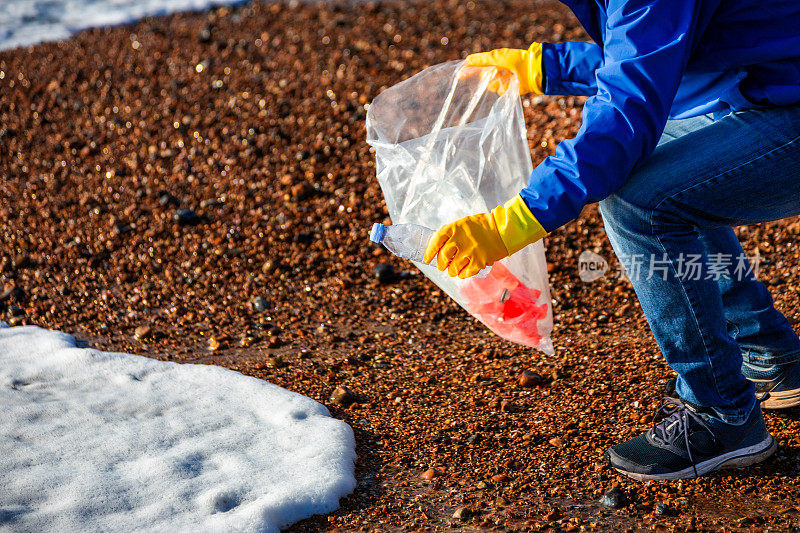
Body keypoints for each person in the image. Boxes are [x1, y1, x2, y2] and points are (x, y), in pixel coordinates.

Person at [424, 0, 800, 481]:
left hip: (783, 102)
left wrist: (517, 220)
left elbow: (627, 110)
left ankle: (722, 414)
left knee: (641, 201)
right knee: (664, 166)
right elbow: (660, 49)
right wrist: (544, 66)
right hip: (770, 86)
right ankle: (767, 356)